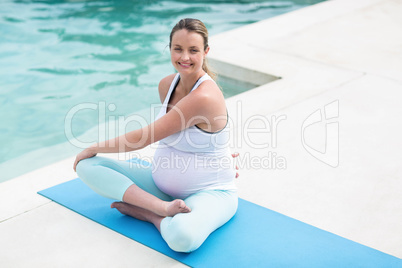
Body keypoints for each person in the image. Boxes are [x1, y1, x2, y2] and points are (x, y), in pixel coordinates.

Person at [73, 18, 238, 253]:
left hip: (209, 192)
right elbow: (184, 137)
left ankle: (152, 216)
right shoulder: (166, 85)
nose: (185, 57)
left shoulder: (204, 96)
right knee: (86, 166)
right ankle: (160, 207)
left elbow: (144, 138)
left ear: (206, 51)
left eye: (193, 50)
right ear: (169, 49)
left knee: (183, 238)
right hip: (161, 187)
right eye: (177, 49)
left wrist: (94, 146)